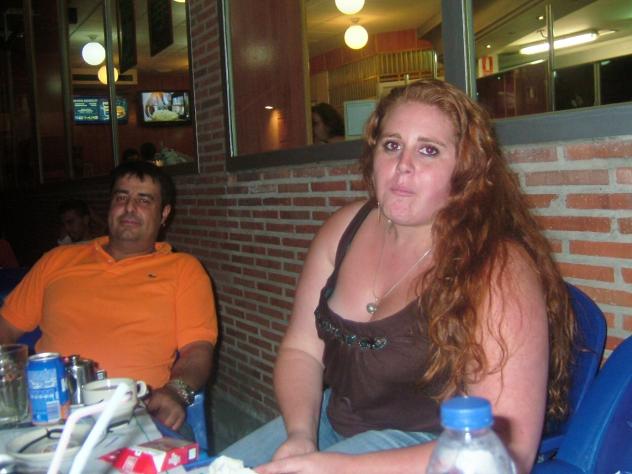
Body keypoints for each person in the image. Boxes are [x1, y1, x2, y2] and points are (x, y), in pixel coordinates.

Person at [222, 79, 575, 473]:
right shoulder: (342, 230)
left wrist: (338, 468)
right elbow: (302, 349)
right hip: (332, 423)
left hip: (435, 448)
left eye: (428, 150)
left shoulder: (498, 268)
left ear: (467, 169)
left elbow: (511, 450)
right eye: (391, 145)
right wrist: (302, 434)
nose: (403, 165)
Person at [0, 161, 218, 430]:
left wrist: (176, 391)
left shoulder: (184, 269)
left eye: (144, 200)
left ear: (164, 214)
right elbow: (6, 328)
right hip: (49, 415)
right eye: (121, 197)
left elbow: (197, 349)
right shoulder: (57, 260)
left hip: (136, 416)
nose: (130, 207)